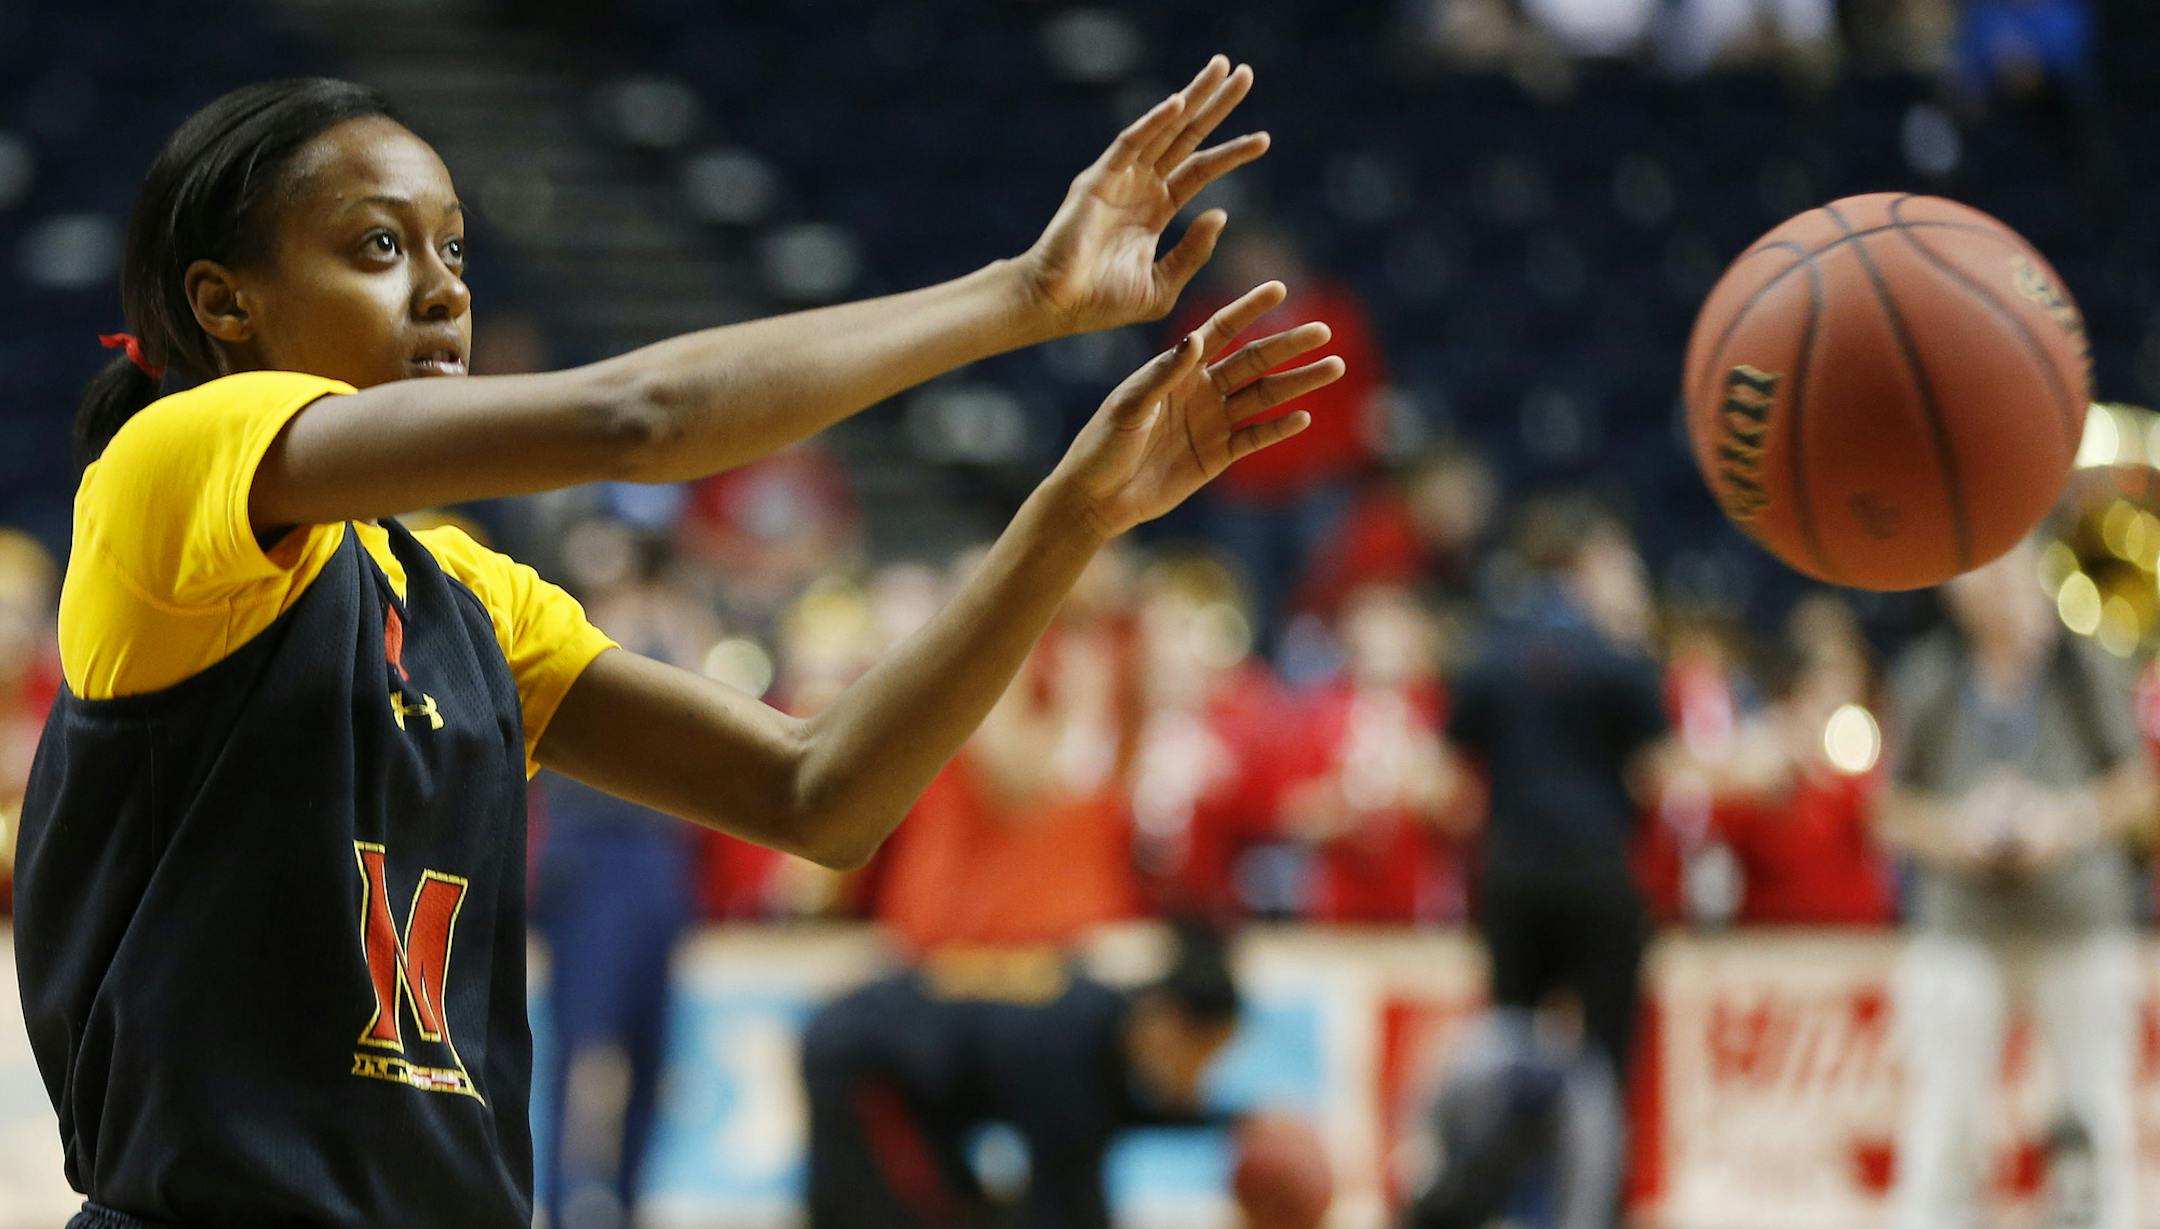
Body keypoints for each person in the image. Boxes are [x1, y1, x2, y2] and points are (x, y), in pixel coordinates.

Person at [13, 61, 1344, 1229]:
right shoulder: (168, 470)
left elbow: (821, 792)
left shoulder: (464, 591)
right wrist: (1022, 294)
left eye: (457, 252)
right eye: (377, 247)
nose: (442, 295)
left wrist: (1075, 513)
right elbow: (636, 420)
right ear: (225, 305)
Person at [1876, 541, 2154, 1229]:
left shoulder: (2082, 668)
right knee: (1946, 1118)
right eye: (1979, 573)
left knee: (2095, 1115)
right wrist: (1957, 832)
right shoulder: (1928, 679)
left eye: (2008, 566)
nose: (1996, 587)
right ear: (1952, 592)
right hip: (1962, 923)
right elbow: (1888, 811)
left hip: (2079, 917)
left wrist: (2067, 821)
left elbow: (2137, 789)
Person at [1440, 495, 1672, 1226]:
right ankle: (1592, 1211)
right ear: (1586, 562)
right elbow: (1658, 774)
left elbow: (1454, 774)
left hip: (1513, 877)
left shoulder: (1490, 648)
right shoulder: (1619, 656)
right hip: (1598, 875)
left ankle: (1496, 1207)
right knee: (1602, 1068)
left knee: (1506, 1060)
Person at [799, 921, 1241, 1229]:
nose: (1202, 1075)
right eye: (1204, 1054)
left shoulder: (1102, 1018)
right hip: (863, 1065)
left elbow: (1114, 1119)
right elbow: (1069, 1192)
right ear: (1168, 1023)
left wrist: (1234, 1122)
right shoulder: (1068, 1047)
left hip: (916, 1080)